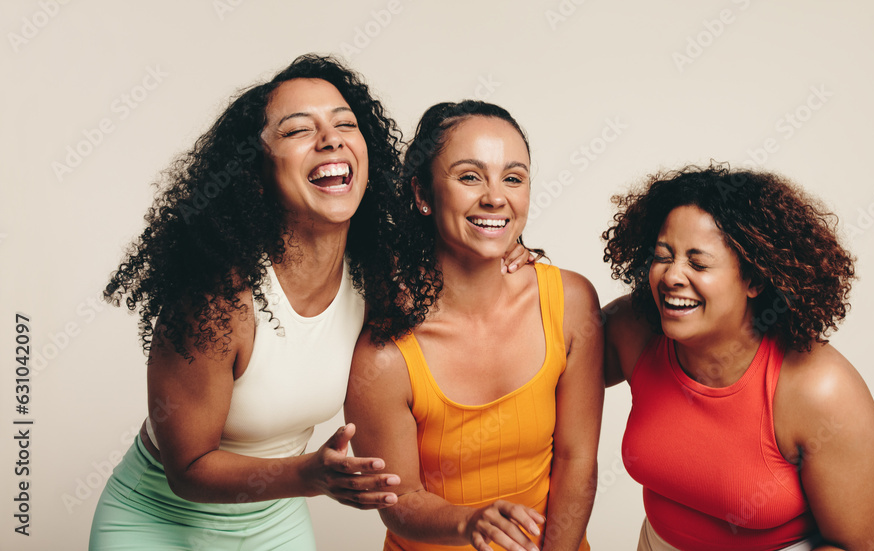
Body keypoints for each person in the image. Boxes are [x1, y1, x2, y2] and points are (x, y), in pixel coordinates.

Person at [90, 54, 411, 550]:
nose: (331, 139)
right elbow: (188, 469)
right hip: (155, 523)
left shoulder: (376, 279)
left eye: (345, 123)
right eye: (298, 130)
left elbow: (465, 268)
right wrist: (310, 476)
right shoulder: (218, 300)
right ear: (255, 174)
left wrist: (513, 255)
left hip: (273, 524)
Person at [346, 101, 604, 551]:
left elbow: (576, 457)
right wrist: (470, 523)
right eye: (469, 176)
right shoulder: (385, 352)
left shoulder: (571, 303)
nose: (495, 197)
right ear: (423, 195)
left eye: (513, 177)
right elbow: (399, 499)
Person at [602, 164, 874, 551]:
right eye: (662, 256)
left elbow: (856, 546)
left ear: (754, 280)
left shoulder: (820, 389)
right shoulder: (634, 330)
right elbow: (545, 364)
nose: (672, 276)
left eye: (698, 263)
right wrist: (509, 266)